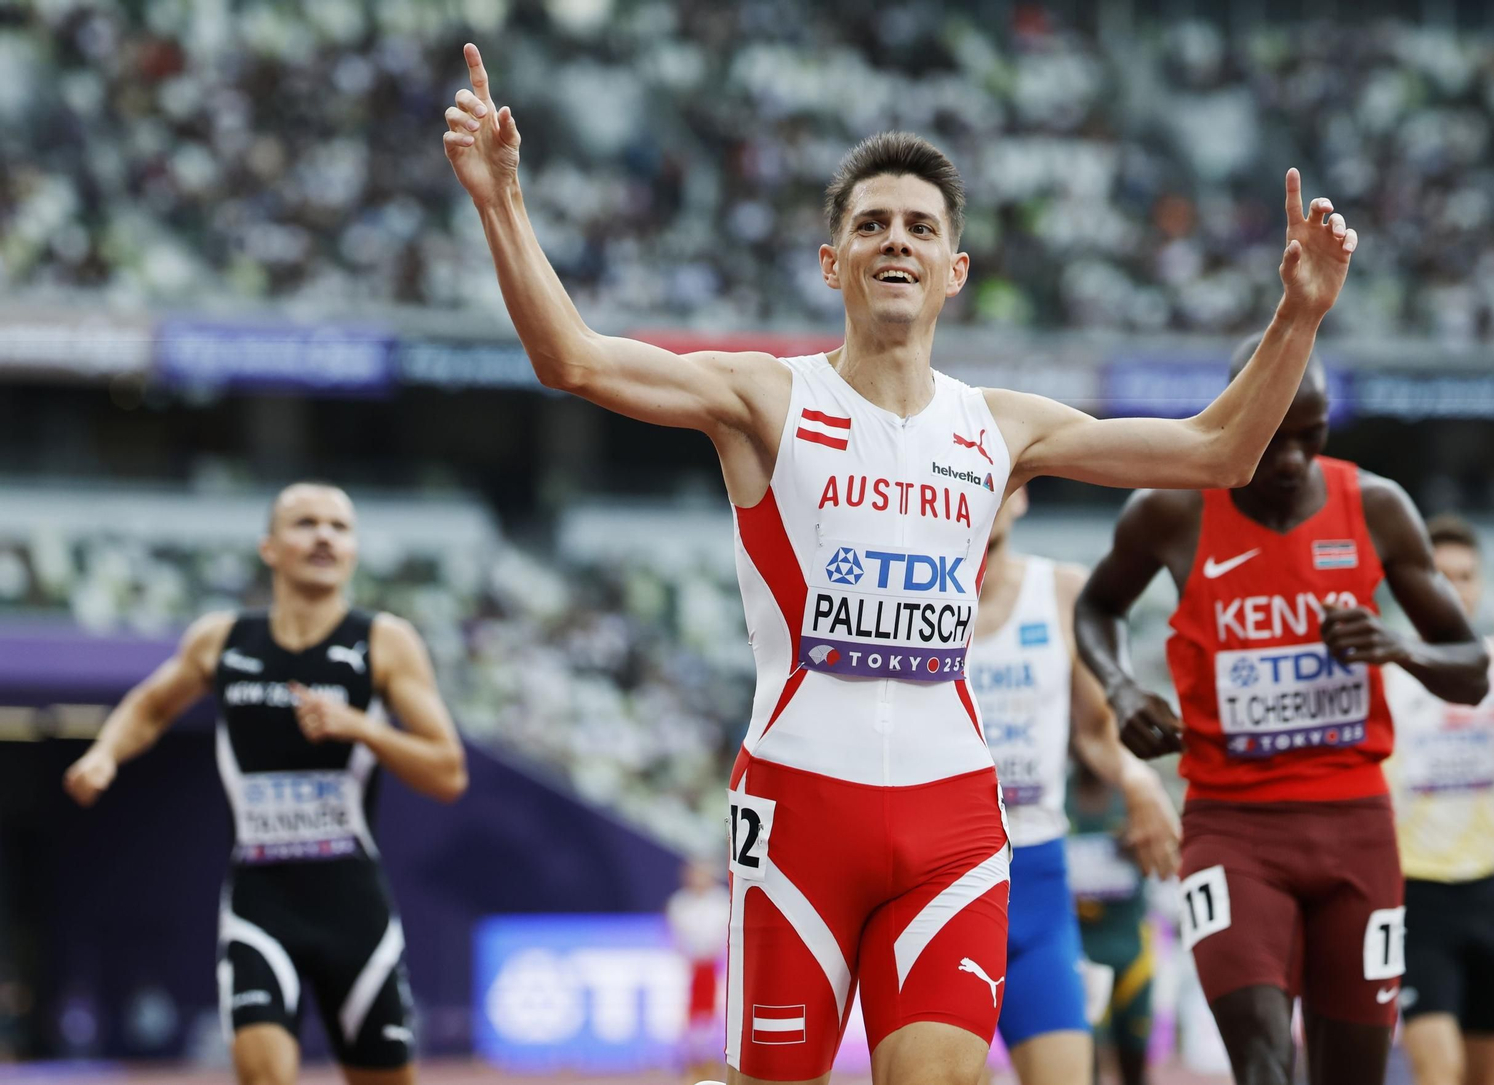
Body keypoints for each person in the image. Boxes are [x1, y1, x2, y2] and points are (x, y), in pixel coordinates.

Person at [442, 41, 1358, 1085]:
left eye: (920, 227)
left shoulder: (1000, 426)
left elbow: (1216, 451)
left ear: (953, 270)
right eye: (870, 223)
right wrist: (501, 202)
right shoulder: (763, 397)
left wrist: (1298, 314)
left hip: (952, 814)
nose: (896, 240)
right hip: (797, 810)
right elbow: (575, 358)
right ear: (831, 261)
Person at [1075, 338, 1489, 1085]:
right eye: (1274, 435)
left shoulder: (1376, 505)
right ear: (1238, 416)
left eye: (1314, 432)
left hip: (1355, 831)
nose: (1294, 456)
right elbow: (1099, 604)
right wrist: (1120, 685)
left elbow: (1473, 670)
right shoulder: (1172, 507)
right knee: (1263, 1060)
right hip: (1232, 827)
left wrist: (1395, 646)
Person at [62, 483, 467, 1085]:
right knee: (263, 1077)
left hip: (354, 909)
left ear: (354, 551)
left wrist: (361, 727)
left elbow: (448, 771)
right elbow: (149, 707)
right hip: (261, 904)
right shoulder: (222, 641)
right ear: (270, 548)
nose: (325, 536)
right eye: (306, 523)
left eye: (340, 526)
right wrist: (104, 755)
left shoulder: (383, 642)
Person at [967, 488, 1179, 1085]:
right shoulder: (910, 596)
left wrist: (1140, 782)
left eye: (995, 485)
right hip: (944, 876)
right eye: (964, 483)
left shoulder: (1060, 591)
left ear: (1021, 498)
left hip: (1037, 873)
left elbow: (1094, 735)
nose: (978, 500)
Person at [1383, 515, 1494, 1085]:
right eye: (1439, 576)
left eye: (1466, 576)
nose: (1454, 589)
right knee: (1440, 1072)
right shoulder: (1389, 670)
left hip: (1487, 889)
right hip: (1416, 893)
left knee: (1489, 1074)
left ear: (1481, 585)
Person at [1065, 762, 1157, 1085]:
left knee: (1135, 1065)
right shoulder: (1057, 796)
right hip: (1080, 949)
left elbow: (1166, 861)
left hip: (1130, 947)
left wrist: (1142, 845)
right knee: (1084, 1063)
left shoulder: (1136, 795)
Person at [668, 859, 732, 1084]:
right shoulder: (680, 903)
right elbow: (676, 937)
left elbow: (728, 935)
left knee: (719, 1018)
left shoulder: (723, 902)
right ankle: (691, 1064)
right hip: (691, 968)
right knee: (690, 1019)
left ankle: (717, 1065)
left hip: (720, 968)